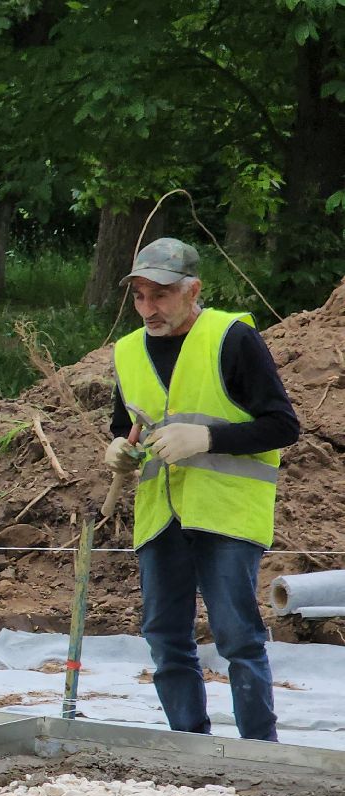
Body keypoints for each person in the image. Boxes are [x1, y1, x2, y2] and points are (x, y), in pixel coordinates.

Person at [104, 238, 299, 742]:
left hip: (225, 514)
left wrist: (208, 438)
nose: (149, 308)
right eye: (140, 296)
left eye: (161, 295)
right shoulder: (127, 352)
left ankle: (260, 748)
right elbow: (126, 427)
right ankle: (190, 744)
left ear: (194, 291)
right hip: (161, 514)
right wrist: (119, 451)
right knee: (165, 638)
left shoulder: (231, 337)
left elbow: (282, 425)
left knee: (237, 636)